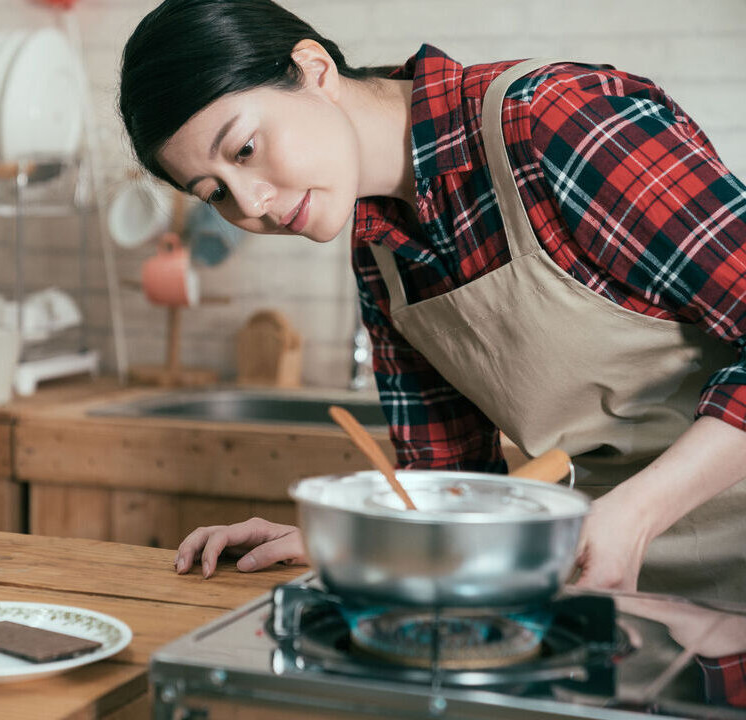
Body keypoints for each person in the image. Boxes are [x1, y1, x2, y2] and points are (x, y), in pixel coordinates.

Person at [119, 0, 746, 601]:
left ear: (313, 69)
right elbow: (452, 484)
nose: (251, 204)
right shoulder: (380, 255)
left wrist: (635, 512)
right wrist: (342, 538)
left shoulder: (558, 123)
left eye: (246, 150)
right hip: (618, 583)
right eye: (217, 193)